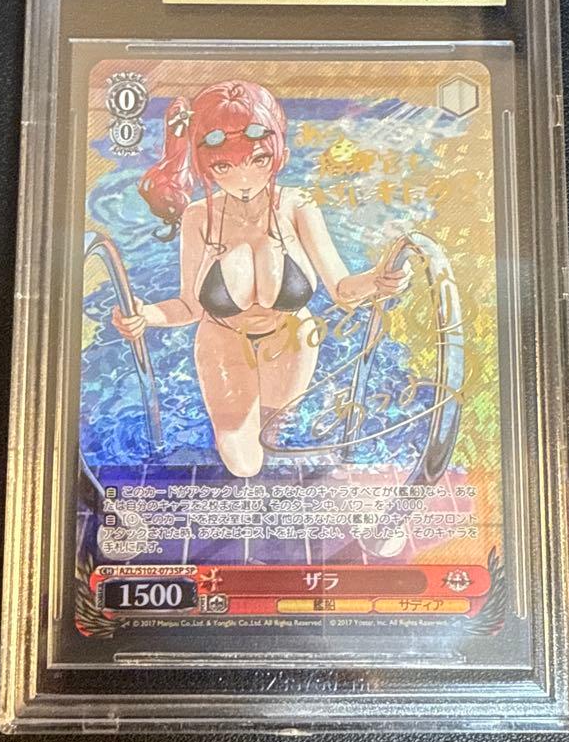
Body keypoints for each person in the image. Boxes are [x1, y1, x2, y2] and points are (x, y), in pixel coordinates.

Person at [111, 80, 409, 477]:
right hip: (222, 338)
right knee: (243, 463)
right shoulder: (199, 216)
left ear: (278, 152)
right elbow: (189, 306)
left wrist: (377, 280)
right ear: (204, 164)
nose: (244, 178)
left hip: (290, 338)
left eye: (258, 159)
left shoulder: (298, 205)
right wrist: (144, 315)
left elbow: (341, 290)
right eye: (223, 166)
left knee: (273, 436)